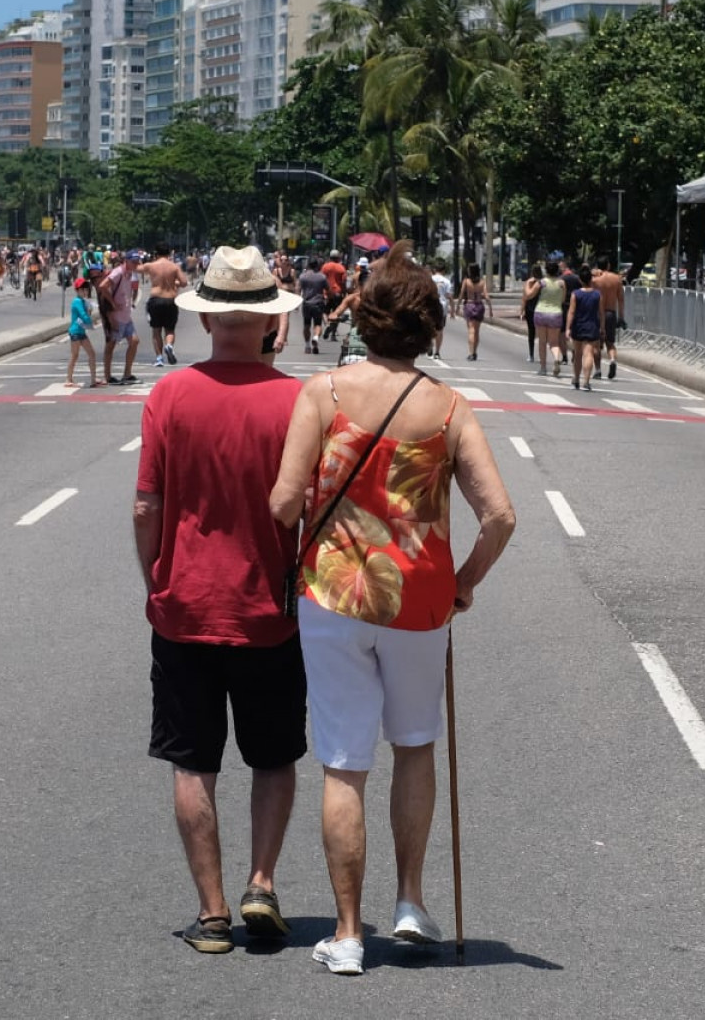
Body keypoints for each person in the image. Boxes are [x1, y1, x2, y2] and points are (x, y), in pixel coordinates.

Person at [269, 241, 517, 977]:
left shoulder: (323, 394)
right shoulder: (450, 409)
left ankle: (348, 933)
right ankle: (410, 901)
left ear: (364, 318)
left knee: (344, 762)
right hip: (419, 603)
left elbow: (283, 503)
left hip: (335, 598)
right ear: (430, 327)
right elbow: (500, 516)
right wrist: (463, 581)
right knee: (415, 744)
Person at [133, 245, 306, 956]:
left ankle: (211, 915)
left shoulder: (169, 396)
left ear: (205, 320)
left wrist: (156, 580)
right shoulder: (297, 402)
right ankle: (261, 882)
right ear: (269, 323)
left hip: (185, 609)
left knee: (193, 763)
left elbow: (147, 505)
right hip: (271, 613)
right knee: (273, 757)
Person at [141, 243, 187, 366]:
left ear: (156, 253)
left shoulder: (151, 265)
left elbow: (137, 269)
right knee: (170, 329)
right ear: (169, 253)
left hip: (155, 299)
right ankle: (169, 345)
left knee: (156, 330)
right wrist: (175, 283)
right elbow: (184, 282)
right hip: (170, 299)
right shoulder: (174, 267)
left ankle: (159, 358)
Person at [101, 250, 142, 385]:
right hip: (115, 316)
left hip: (126, 315)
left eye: (137, 262)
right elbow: (103, 286)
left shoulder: (130, 274)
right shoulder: (118, 272)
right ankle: (108, 376)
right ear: (127, 261)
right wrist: (113, 304)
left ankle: (127, 374)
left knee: (134, 341)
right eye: (133, 262)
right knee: (111, 345)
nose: (136, 264)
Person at [568, 264, 603, 391]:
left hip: (578, 326)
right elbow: (601, 313)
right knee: (588, 354)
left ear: (580, 280)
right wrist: (602, 327)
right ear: (590, 279)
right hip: (592, 326)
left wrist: (567, 328)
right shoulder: (597, 295)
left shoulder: (575, 294)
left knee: (577, 354)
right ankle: (586, 381)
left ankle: (576, 379)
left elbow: (571, 312)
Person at [590, 258, 627, 381]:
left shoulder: (595, 280)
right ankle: (612, 360)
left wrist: (592, 273)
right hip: (611, 313)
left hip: (597, 313)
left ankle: (598, 370)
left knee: (596, 345)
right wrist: (621, 317)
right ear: (608, 265)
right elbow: (621, 300)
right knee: (610, 343)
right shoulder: (616, 279)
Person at [531, 259, 569, 377]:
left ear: (546, 270)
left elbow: (530, 294)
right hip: (556, 313)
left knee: (542, 342)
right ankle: (557, 358)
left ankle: (543, 368)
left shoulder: (541, 282)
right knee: (554, 343)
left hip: (541, 312)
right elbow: (563, 299)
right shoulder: (562, 283)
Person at [65, 276, 102, 387]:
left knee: (92, 353)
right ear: (77, 290)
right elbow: (83, 316)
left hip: (81, 332)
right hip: (75, 332)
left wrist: (90, 314)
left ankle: (93, 379)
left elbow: (86, 315)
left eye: (86, 289)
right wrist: (92, 321)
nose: (84, 291)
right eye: (82, 289)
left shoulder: (83, 301)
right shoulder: (77, 302)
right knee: (75, 355)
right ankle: (68, 379)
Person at [457, 263, 490, 361]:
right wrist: (490, 308)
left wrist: (457, 306)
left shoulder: (466, 281)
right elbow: (486, 296)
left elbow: (461, 294)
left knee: (471, 330)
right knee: (477, 331)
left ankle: (471, 353)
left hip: (469, 305)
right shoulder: (482, 282)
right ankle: (475, 352)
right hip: (479, 306)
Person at [297, 257, 329, 353]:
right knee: (318, 324)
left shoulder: (303, 276)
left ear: (308, 265)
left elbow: (298, 289)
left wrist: (297, 301)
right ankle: (315, 337)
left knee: (306, 325)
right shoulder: (322, 277)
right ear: (317, 265)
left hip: (306, 304)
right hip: (318, 303)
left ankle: (307, 346)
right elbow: (328, 289)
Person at [319, 251, 347, 342]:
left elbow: (321, 279)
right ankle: (333, 335)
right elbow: (344, 282)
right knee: (336, 313)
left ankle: (328, 324)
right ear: (338, 258)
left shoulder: (325, 267)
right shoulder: (341, 267)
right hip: (338, 293)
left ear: (330, 257)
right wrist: (344, 292)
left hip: (327, 293)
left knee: (324, 312)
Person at [520, 263, 542, 361]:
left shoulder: (529, 282)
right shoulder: (543, 283)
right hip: (541, 308)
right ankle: (541, 355)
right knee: (542, 333)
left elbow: (525, 297)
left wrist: (522, 311)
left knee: (531, 332)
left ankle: (531, 354)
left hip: (530, 309)